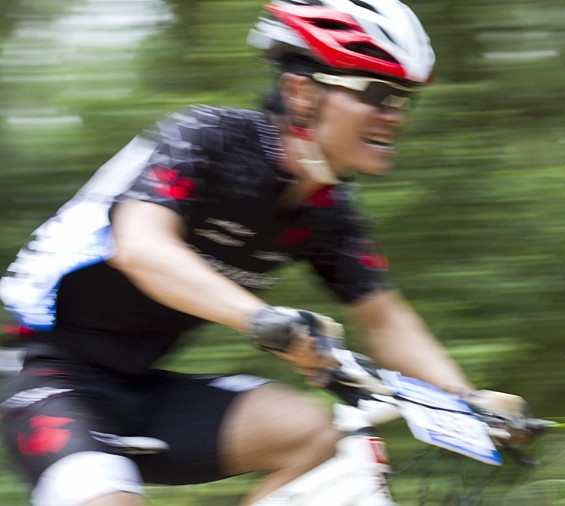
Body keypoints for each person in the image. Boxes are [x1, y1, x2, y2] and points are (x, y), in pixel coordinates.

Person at [0, 1, 529, 504]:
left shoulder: (327, 210)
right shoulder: (208, 140)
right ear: (302, 92)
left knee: (317, 436)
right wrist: (262, 320)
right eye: (376, 93)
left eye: (403, 100)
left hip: (140, 386)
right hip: (40, 375)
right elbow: (141, 247)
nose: (395, 115)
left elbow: (386, 318)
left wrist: (469, 402)